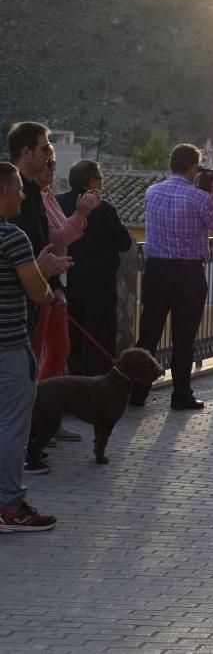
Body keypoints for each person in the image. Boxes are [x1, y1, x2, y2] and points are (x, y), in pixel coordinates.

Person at [131, 144, 213, 411]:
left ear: (171, 164)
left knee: (149, 332)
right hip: (188, 273)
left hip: (156, 270)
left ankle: (137, 392)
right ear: (193, 167)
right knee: (183, 337)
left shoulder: (152, 192)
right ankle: (181, 394)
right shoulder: (198, 198)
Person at [0, 161, 67, 532]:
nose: (23, 197)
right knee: (11, 427)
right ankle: (9, 506)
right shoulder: (12, 236)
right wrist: (47, 272)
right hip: (9, 346)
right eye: (19, 191)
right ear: (6, 192)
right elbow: (38, 292)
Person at [58, 159, 134, 377]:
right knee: (99, 337)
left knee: (73, 336)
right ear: (91, 181)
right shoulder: (104, 209)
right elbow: (124, 243)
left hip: (68, 281)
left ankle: (73, 383)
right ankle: (95, 386)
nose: (102, 182)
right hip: (99, 285)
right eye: (100, 178)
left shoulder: (58, 203)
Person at [33, 159, 98, 386]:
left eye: (53, 163)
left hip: (56, 282)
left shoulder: (48, 195)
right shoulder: (34, 200)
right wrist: (80, 214)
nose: (52, 167)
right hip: (43, 282)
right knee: (38, 351)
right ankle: (36, 407)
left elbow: (60, 235)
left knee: (60, 349)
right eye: (47, 162)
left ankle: (43, 402)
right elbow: (56, 240)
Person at [7, 122, 63, 335]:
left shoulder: (33, 192)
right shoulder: (12, 194)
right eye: (44, 148)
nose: (49, 153)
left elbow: (42, 243)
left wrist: (55, 284)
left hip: (31, 299)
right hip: (14, 306)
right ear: (26, 153)